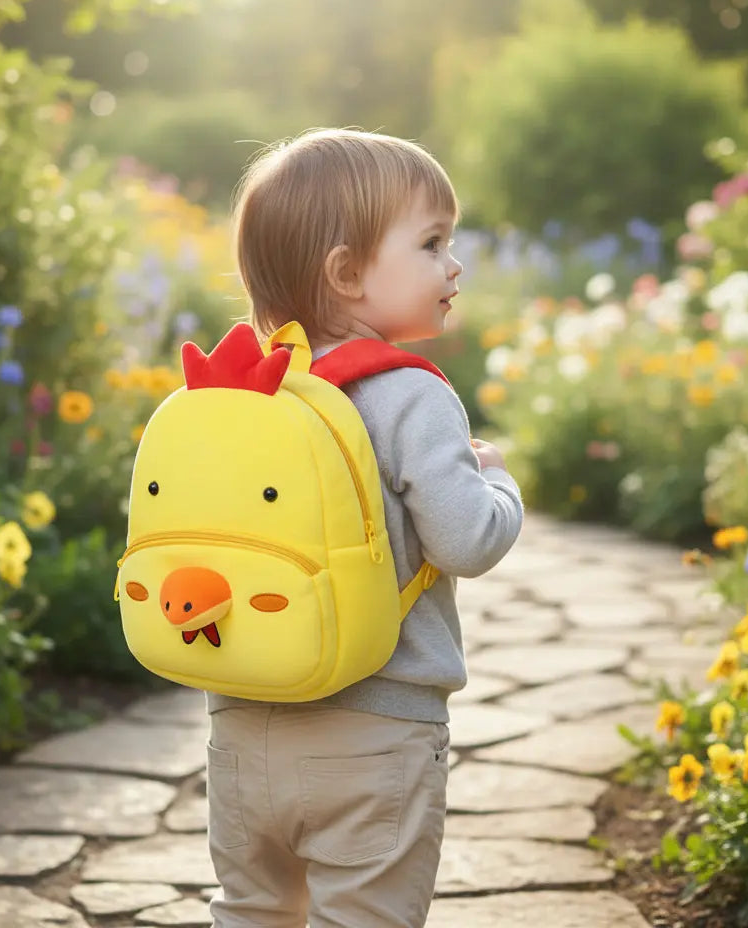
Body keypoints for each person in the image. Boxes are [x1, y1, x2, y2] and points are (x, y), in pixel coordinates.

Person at [205, 128, 523, 928]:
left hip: (242, 723)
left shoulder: (248, 393)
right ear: (346, 273)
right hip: (376, 731)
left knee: (251, 911)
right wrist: (497, 480)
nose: (455, 264)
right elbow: (467, 540)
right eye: (431, 242)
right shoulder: (410, 396)